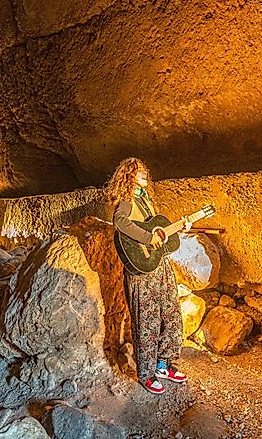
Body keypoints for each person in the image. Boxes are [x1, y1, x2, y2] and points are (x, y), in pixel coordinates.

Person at [106, 157, 192, 394]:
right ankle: (146, 374)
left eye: (145, 170)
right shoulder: (126, 200)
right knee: (147, 321)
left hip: (159, 266)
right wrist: (147, 238)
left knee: (171, 313)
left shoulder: (146, 200)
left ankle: (164, 364)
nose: (144, 173)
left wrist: (178, 228)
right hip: (141, 270)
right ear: (128, 175)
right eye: (138, 170)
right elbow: (120, 222)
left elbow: (157, 231)